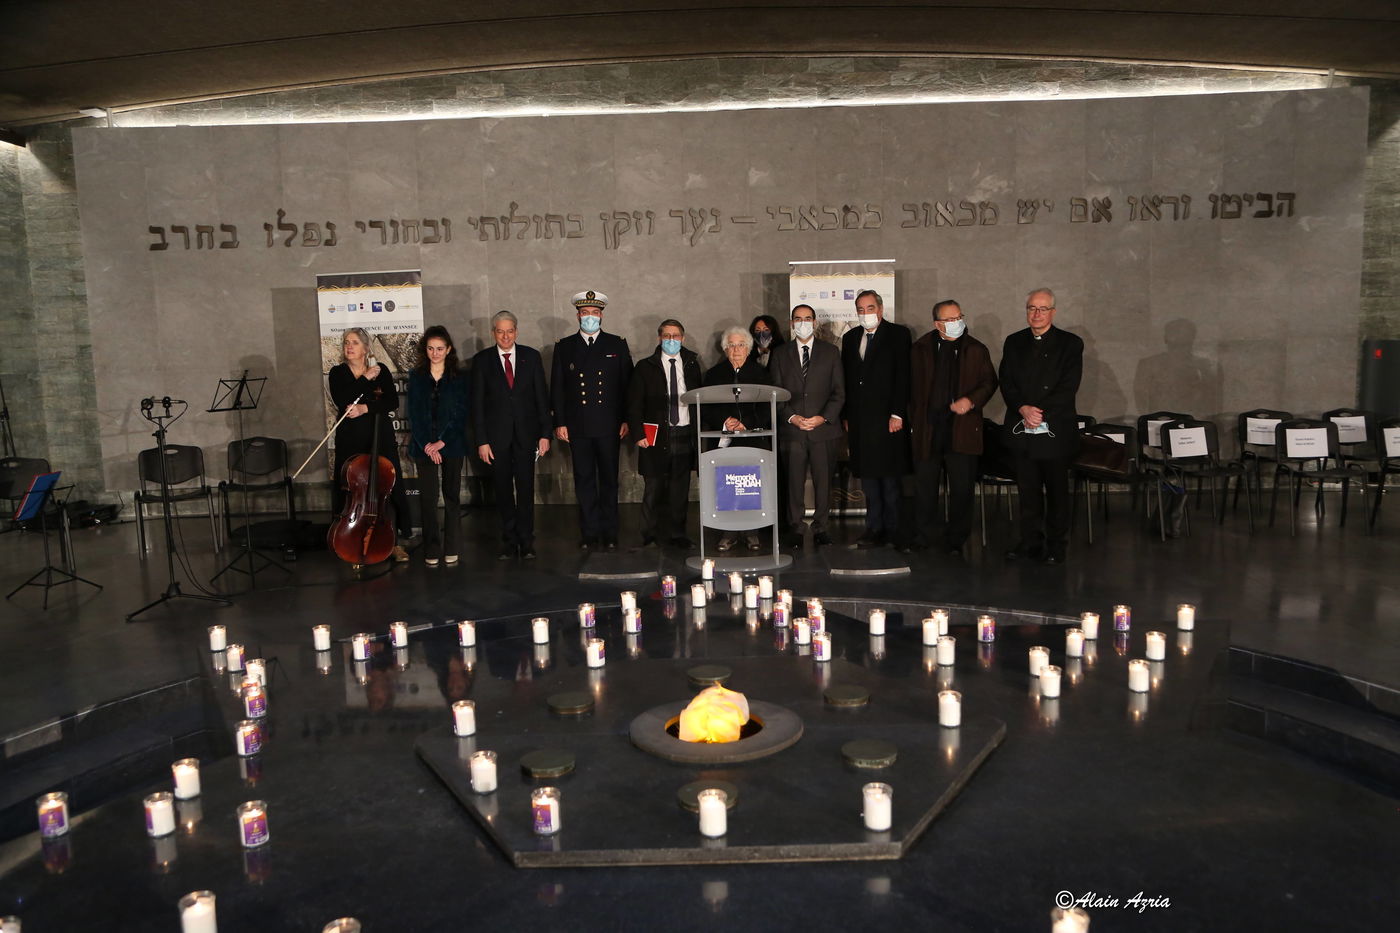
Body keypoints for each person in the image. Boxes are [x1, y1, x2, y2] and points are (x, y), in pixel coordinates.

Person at [999, 287, 1084, 565]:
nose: (1036, 314)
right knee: (1028, 491)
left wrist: (1039, 412)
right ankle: (1030, 541)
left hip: (1054, 429)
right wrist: (1022, 408)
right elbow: (1007, 381)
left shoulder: (1071, 343)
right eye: (1031, 308)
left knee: (1057, 491)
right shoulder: (1014, 341)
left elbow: (1068, 386)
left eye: (1042, 309)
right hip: (1023, 428)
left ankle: (1056, 544)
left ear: (1053, 312)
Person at [908, 300, 999, 554]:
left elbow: (989, 382)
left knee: (962, 488)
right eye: (950, 319)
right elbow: (910, 387)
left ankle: (956, 539)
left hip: (962, 429)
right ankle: (924, 535)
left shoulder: (975, 349)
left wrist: (971, 401)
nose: (957, 322)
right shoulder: (920, 349)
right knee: (925, 487)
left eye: (959, 317)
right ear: (938, 324)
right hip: (929, 429)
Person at [551, 290, 633, 552]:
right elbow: (558, 388)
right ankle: (589, 532)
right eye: (585, 313)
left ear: (601, 315)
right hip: (579, 426)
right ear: (577, 315)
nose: (590, 317)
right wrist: (560, 422)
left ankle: (609, 532)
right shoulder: (564, 347)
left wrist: (626, 419)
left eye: (595, 313)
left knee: (609, 480)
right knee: (584, 480)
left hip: (609, 425)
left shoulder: (616, 344)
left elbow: (627, 387)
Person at [327, 326, 412, 564]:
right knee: (351, 491)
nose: (349, 346)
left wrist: (366, 408)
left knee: (388, 487)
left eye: (354, 342)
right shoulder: (338, 373)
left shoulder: (381, 370)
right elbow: (343, 399)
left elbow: (391, 402)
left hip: (379, 436)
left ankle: (394, 542)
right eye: (346, 342)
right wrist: (365, 379)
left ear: (366, 348)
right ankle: (349, 541)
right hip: (351, 439)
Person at [471, 310, 551, 560]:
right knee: (503, 490)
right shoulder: (482, 360)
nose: (505, 336)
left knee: (526, 490)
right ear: (493, 333)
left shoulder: (531, 357)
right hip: (496, 439)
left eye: (509, 330)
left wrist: (545, 434)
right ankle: (509, 541)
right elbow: (477, 405)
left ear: (516, 331)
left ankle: (526, 541)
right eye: (500, 331)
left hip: (527, 436)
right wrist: (482, 441)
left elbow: (541, 398)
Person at [769, 304, 844, 548]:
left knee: (824, 481)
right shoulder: (780, 353)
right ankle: (796, 528)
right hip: (792, 430)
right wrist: (792, 417)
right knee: (793, 482)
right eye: (798, 319)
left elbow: (839, 393)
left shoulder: (831, 352)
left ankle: (822, 527)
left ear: (814, 322)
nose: (803, 322)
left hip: (823, 430)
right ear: (791, 323)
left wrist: (823, 417)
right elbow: (776, 394)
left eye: (807, 318)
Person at [841, 289, 912, 548]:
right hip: (861, 421)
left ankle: (893, 530)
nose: (865, 314)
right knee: (869, 479)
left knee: (890, 479)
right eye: (860, 309)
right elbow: (847, 380)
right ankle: (873, 529)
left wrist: (897, 413)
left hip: (888, 419)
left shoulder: (898, 334)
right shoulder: (849, 338)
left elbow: (903, 375)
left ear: (880, 309)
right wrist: (847, 415)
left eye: (870, 308)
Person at [626, 319, 703, 548]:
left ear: (683, 338)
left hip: (684, 432)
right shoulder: (645, 366)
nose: (672, 340)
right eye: (667, 336)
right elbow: (634, 404)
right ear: (659, 338)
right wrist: (639, 433)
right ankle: (648, 535)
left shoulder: (691, 363)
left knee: (680, 489)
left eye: (676, 336)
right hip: (656, 435)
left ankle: (677, 534)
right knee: (653, 487)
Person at [703, 326, 773, 552]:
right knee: (726, 486)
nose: (736, 349)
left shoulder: (761, 373)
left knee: (750, 486)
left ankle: (752, 532)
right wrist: (726, 422)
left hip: (753, 439)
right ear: (725, 349)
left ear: (748, 348)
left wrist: (747, 424)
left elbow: (768, 406)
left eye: (741, 344)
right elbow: (704, 407)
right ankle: (728, 533)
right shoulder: (714, 375)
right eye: (731, 345)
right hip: (723, 439)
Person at [407, 325, 468, 567]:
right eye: (431, 348)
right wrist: (427, 445)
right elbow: (414, 414)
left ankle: (452, 546)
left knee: (451, 496)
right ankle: (432, 547)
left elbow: (461, 413)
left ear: (448, 349)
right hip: (424, 449)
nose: (435, 353)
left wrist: (442, 441)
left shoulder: (460, 378)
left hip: (451, 446)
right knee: (428, 499)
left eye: (440, 348)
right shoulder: (417, 376)